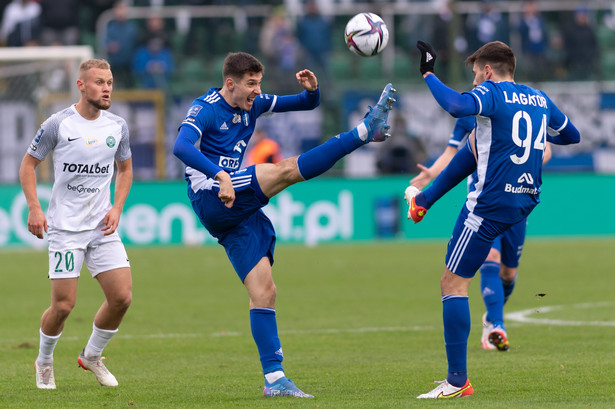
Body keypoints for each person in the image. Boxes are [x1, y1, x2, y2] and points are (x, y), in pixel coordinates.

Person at [172, 51, 396, 398]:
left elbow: (306, 104)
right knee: (285, 170)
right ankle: (365, 131)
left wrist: (313, 89)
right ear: (230, 83)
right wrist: (219, 174)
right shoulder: (206, 107)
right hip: (211, 193)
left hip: (235, 210)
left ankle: (274, 380)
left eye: (259, 84)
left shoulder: (254, 104)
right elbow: (180, 146)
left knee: (265, 291)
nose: (257, 91)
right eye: (251, 84)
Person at [406, 40, 580, 398]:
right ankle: (423, 201)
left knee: (451, 284)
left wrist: (428, 72)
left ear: (487, 71)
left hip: (487, 206)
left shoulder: (490, 94)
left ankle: (457, 382)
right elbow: (571, 135)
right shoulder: (538, 99)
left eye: (474, 74)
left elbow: (455, 105)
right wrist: (533, 140)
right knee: (476, 143)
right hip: (524, 202)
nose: (473, 82)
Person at [19, 59, 133, 390]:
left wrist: (117, 207)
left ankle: (92, 356)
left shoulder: (117, 126)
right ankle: (44, 360)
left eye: (110, 81)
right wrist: (34, 208)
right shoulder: (58, 124)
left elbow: (125, 170)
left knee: (122, 298)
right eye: (99, 82)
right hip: (66, 229)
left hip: (102, 227)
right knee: (64, 305)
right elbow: (28, 165)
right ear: (81, 85)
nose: (107, 87)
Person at [410, 114, 552, 352]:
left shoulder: (517, 107)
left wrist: (524, 165)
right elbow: (452, 152)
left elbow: (545, 149)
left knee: (508, 273)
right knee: (490, 259)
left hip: (515, 198)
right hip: (484, 202)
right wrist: (430, 174)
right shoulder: (471, 111)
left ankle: (491, 318)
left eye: (478, 72)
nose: (477, 76)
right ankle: (497, 325)